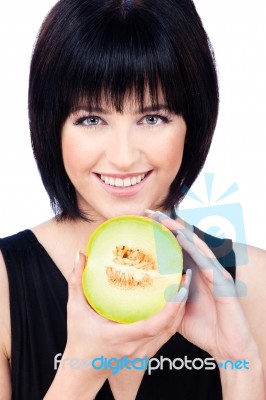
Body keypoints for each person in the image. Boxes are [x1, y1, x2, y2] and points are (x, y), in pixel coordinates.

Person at [0, 0, 265, 399]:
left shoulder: (254, 283)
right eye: (91, 119)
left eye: (153, 118)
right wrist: (82, 369)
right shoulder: (4, 287)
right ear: (50, 126)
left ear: (193, 123)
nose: (123, 157)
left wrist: (239, 362)